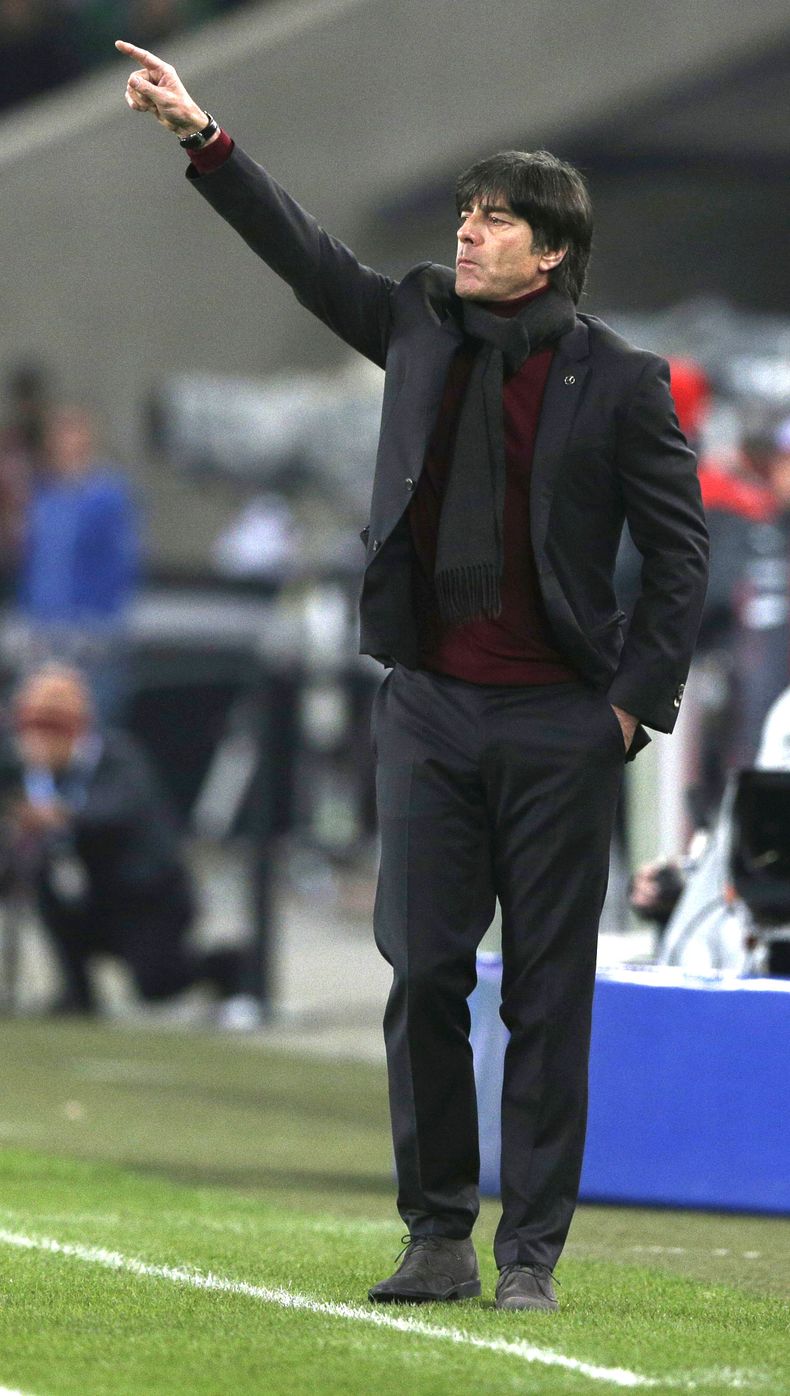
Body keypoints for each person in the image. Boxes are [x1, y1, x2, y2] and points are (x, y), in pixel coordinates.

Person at [116, 39, 709, 1312]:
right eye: (465, 215)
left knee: (548, 994)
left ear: (550, 249)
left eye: (494, 221)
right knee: (424, 971)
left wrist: (627, 710)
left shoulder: (621, 383)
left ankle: (530, 1257)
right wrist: (200, 136)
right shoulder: (416, 326)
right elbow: (303, 255)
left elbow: (678, 556)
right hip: (429, 705)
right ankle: (437, 1231)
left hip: (561, 717)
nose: (469, 235)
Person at [5, 663, 250, 1018]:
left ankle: (229, 966)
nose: (37, 743)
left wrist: (59, 816)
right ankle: (77, 993)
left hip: (146, 902)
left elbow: (114, 810)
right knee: (47, 885)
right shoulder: (32, 773)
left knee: (158, 987)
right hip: (91, 897)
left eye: (48, 730)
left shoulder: (118, 759)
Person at [14, 405, 140, 725]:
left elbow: (123, 562)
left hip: (90, 634)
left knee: (91, 719)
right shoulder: (45, 496)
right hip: (45, 630)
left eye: (73, 434)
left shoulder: (107, 496)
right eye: (60, 435)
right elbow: (36, 561)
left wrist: (104, 618)